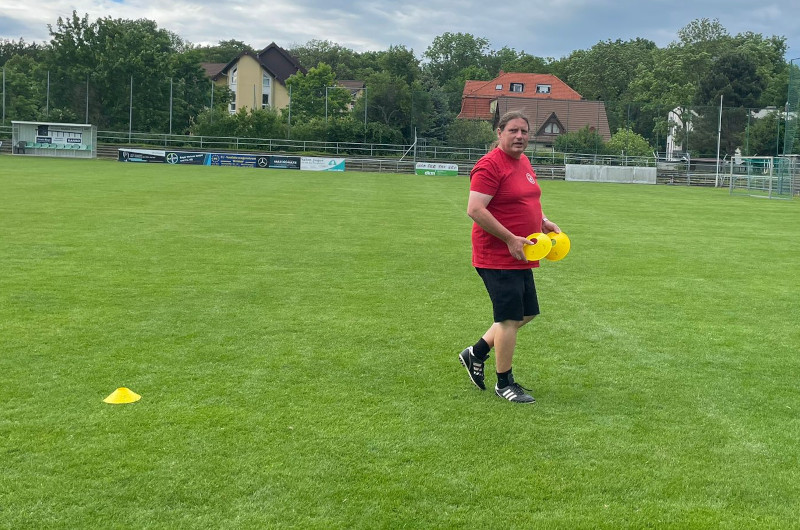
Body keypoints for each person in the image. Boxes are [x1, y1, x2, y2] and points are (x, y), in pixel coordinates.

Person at [459, 110, 561, 404]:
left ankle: (476, 351)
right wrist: (508, 238)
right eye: (513, 130)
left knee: (527, 313)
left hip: (523, 251)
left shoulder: (523, 161)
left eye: (525, 131)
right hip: (497, 255)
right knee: (508, 318)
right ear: (499, 132)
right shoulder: (489, 166)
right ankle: (504, 383)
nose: (520, 136)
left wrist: (542, 220)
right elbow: (475, 209)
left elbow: (526, 199)